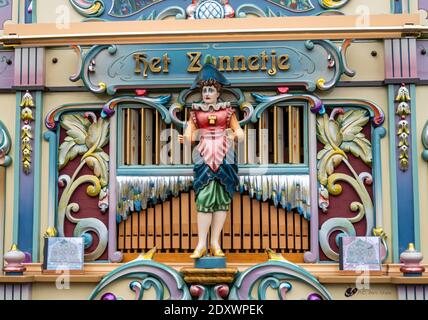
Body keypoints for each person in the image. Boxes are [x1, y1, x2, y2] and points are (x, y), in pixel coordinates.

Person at [178, 58, 244, 259]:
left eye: (210, 91)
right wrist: (191, 137)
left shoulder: (228, 111)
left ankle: (215, 242)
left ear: (218, 92)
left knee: (222, 200)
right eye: (204, 91)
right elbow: (189, 135)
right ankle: (201, 244)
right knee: (205, 198)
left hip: (225, 157)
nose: (206, 94)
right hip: (204, 158)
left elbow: (239, 133)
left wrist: (234, 135)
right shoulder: (195, 113)